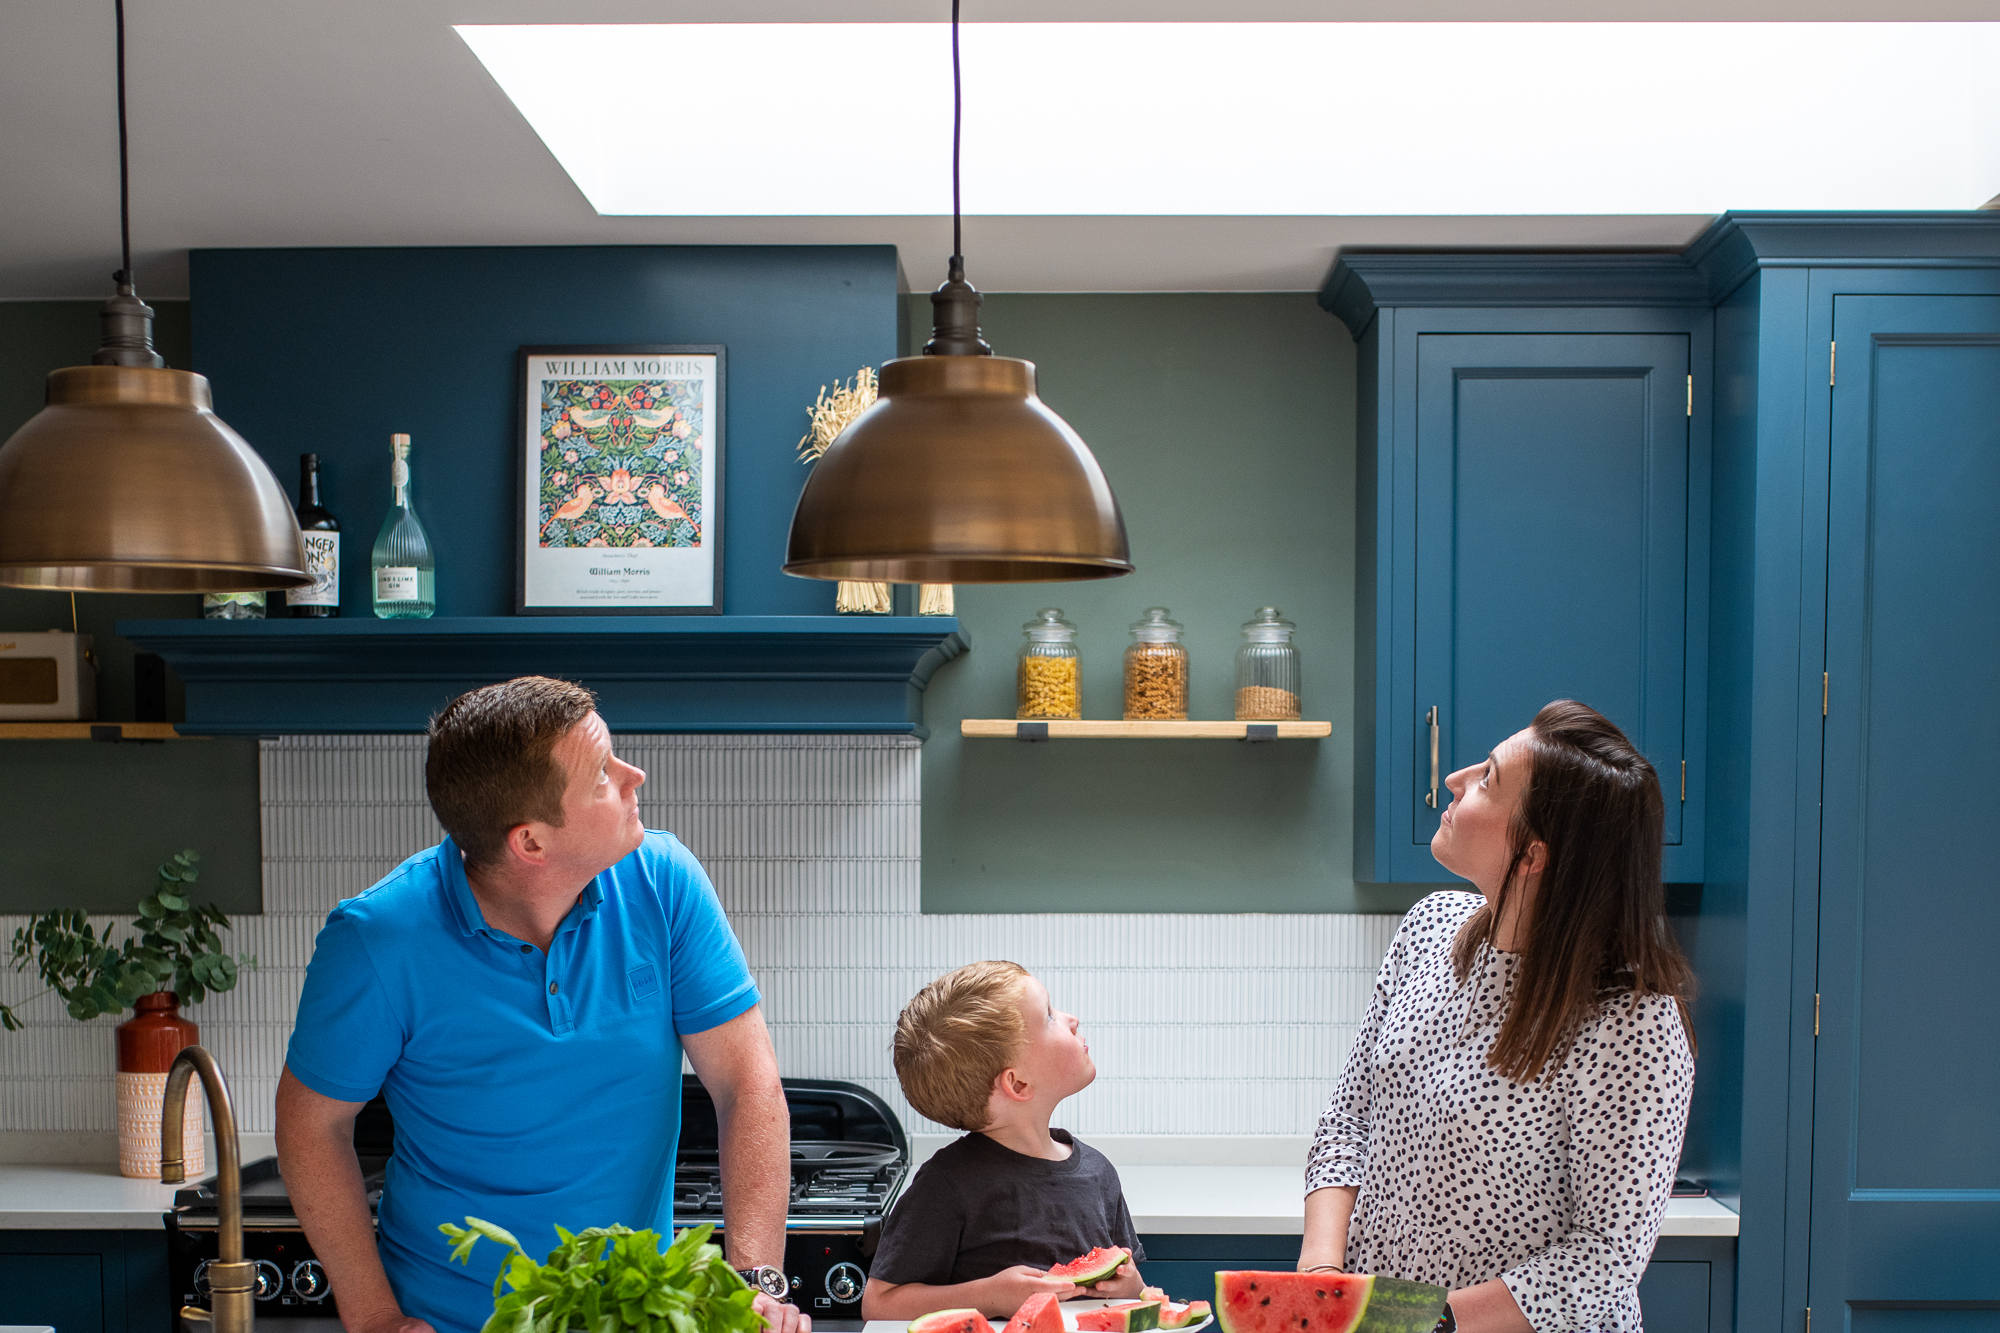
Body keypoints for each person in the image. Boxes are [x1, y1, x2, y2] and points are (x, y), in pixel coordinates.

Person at [274, 676, 807, 1333]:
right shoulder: (377, 940)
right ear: (530, 842)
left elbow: (746, 1084)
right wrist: (375, 1314)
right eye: (603, 777)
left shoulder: (664, 883)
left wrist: (753, 1278)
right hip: (453, 1322)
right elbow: (310, 1122)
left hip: (633, 1316)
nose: (634, 774)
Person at [1300, 700, 1696, 1333]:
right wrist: (1320, 1281)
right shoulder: (1430, 928)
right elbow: (1349, 1120)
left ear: (1532, 855)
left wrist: (1418, 1321)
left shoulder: (1633, 1023)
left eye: (1487, 778)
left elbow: (1605, 1259)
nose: (1455, 780)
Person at [861, 961, 1147, 1321]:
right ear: (1019, 1084)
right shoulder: (946, 1184)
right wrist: (991, 1296)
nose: (1071, 1018)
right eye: (1049, 1017)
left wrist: (1131, 1285)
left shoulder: (1097, 1172)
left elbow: (1134, 1292)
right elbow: (880, 1302)